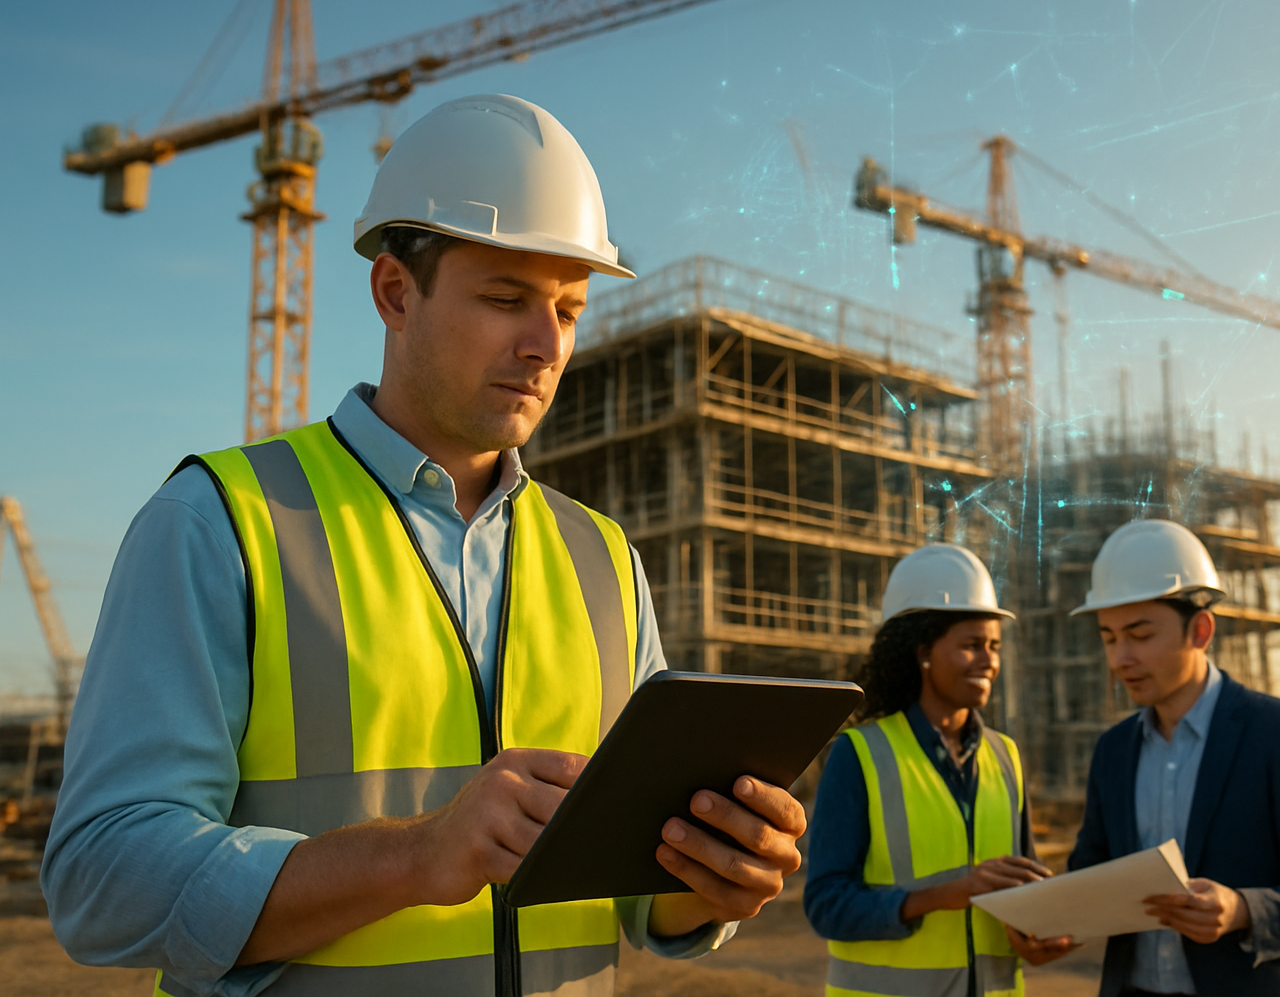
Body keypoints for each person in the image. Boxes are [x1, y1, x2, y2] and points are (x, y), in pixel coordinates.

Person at [41, 94, 805, 997]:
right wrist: (413, 857)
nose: (544, 345)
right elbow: (101, 882)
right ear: (395, 292)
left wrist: (709, 878)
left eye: (567, 309)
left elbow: (639, 894)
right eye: (505, 299)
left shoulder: (603, 558)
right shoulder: (220, 522)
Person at [1016, 519, 1280, 997]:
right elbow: (1094, 873)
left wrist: (1242, 908)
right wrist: (1056, 924)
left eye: (1139, 635)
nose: (1121, 658)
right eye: (1109, 637)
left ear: (1200, 630)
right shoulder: (1114, 751)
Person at [804, 544, 1068, 997]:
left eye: (994, 646)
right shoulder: (859, 754)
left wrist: (1039, 933)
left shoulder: (1006, 757)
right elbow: (826, 905)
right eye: (971, 646)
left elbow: (1026, 888)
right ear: (923, 651)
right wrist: (942, 896)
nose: (988, 660)